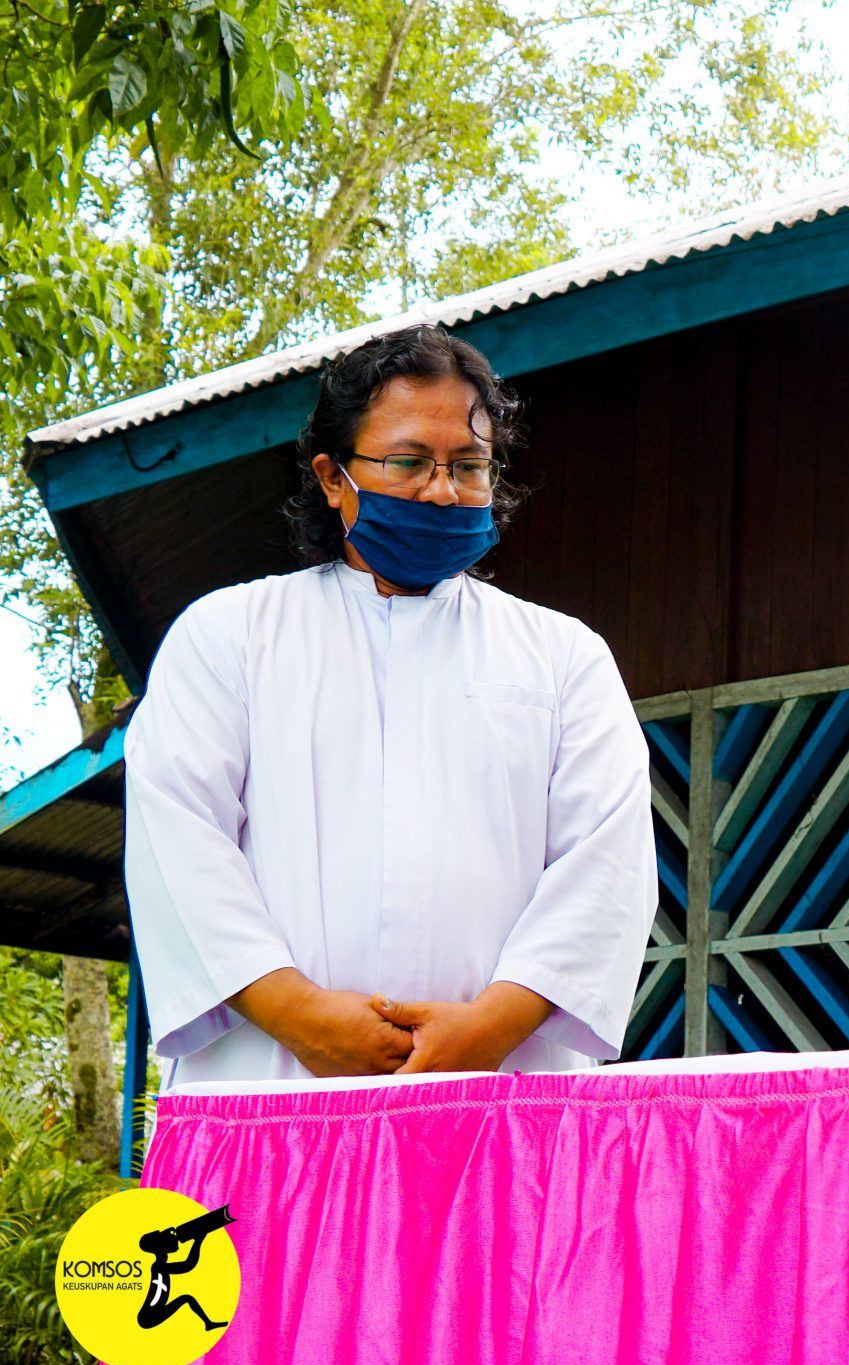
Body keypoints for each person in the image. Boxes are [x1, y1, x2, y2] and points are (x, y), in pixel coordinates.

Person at [124, 325, 656, 1084]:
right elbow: (179, 841)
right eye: (409, 462)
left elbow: (607, 863)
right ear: (334, 478)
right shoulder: (229, 636)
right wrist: (300, 1016)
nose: (442, 490)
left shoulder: (564, 656)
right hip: (273, 1074)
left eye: (469, 466)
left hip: (502, 1083)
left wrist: (490, 1028)